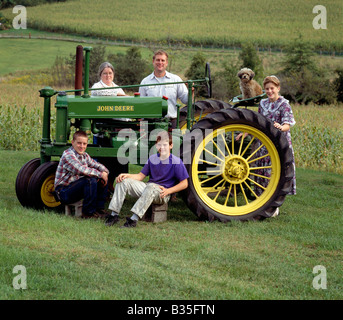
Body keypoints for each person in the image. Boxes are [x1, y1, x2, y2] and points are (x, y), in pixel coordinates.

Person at [105, 131, 189, 228]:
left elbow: (184, 183)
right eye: (159, 145)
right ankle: (114, 215)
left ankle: (133, 220)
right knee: (123, 181)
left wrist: (168, 191)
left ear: (171, 146)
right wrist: (126, 175)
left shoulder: (176, 162)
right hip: (148, 188)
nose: (162, 148)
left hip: (162, 193)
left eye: (165, 145)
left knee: (151, 186)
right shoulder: (153, 158)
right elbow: (140, 176)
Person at [254, 76, 296, 215]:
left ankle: (274, 206)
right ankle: (263, 203)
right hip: (264, 143)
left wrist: (280, 126)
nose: (270, 91)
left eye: (272, 88)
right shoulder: (263, 103)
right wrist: (245, 133)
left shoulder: (284, 104)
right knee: (263, 173)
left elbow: (287, 125)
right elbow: (258, 122)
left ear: (278, 88)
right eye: (267, 88)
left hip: (279, 143)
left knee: (275, 173)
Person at [54, 130, 110, 219]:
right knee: (90, 180)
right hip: (63, 192)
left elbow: (96, 165)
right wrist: (100, 174)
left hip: (74, 188)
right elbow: (81, 170)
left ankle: (99, 209)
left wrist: (105, 173)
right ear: (73, 142)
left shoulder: (85, 155)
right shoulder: (68, 155)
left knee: (101, 178)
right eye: (79, 143)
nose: (82, 146)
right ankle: (88, 213)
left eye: (84, 144)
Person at [139, 49, 193, 129]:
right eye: (158, 60)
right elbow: (141, 106)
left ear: (166, 63)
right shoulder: (145, 81)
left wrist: (191, 91)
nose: (160, 63)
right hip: (150, 124)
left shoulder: (176, 80)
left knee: (175, 142)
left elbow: (186, 101)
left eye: (162, 60)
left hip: (171, 124)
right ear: (153, 61)